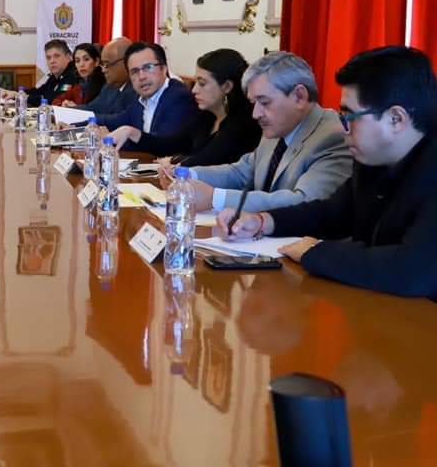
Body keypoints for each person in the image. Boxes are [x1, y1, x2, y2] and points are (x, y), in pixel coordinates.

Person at [219, 46, 437, 298]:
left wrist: (315, 251)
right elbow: (332, 213)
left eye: (349, 117)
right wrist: (263, 221)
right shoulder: (372, 160)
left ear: (396, 118)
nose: (343, 129)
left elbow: (412, 271)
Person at [184, 51, 352, 213]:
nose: (256, 114)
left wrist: (215, 198)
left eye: (265, 103)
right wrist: (186, 174)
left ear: (299, 96)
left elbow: (303, 202)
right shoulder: (277, 128)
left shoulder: (334, 137)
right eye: (253, 103)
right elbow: (241, 173)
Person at [106, 48, 260, 167]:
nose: (194, 90)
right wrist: (131, 132)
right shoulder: (206, 116)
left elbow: (207, 160)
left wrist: (175, 161)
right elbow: (170, 144)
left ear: (227, 86)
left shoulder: (243, 123)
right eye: (196, 82)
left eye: (202, 83)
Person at [91, 42, 198, 134]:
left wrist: (118, 137)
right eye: (135, 71)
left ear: (164, 69)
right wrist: (85, 119)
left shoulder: (178, 97)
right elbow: (119, 119)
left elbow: (162, 144)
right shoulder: (140, 97)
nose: (142, 77)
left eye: (148, 67)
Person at [63, 37, 138, 120]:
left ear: (125, 62)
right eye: (103, 64)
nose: (103, 70)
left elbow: (121, 119)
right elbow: (92, 108)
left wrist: (92, 119)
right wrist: (67, 111)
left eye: (107, 65)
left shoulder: (136, 88)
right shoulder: (109, 87)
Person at [20, 39, 79, 107]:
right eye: (48, 58)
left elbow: (53, 100)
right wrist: (19, 93)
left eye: (56, 56)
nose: (52, 61)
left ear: (68, 57)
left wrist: (24, 97)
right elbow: (39, 91)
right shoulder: (56, 75)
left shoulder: (72, 75)